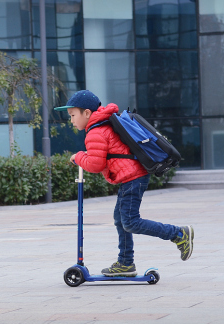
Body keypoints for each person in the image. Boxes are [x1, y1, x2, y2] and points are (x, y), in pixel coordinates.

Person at [54, 90, 194, 277]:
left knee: (130, 221)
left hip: (132, 177)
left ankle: (178, 234)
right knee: (121, 219)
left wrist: (78, 156)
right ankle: (125, 263)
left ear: (86, 113)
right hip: (132, 176)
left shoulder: (95, 132)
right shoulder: (103, 124)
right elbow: (105, 155)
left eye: (72, 115)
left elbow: (96, 165)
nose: (71, 120)